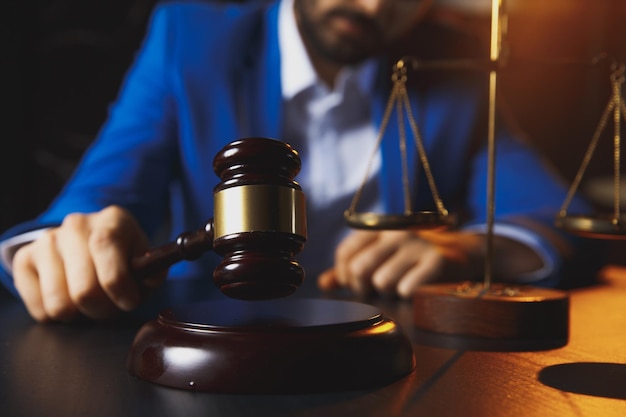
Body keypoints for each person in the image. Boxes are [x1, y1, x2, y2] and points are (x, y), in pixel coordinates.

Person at [0, 0, 602, 322]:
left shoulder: (455, 71)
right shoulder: (190, 38)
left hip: (387, 358)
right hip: (219, 333)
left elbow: (553, 213)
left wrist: (460, 250)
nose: (371, 6)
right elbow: (98, 198)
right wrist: (61, 248)